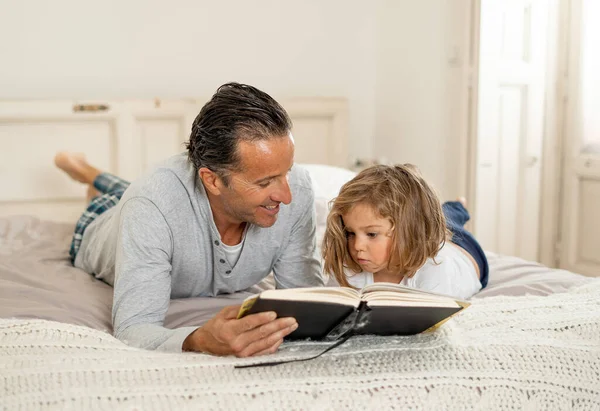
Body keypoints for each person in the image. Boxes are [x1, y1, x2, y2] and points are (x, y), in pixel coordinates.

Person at [55, 82, 324, 356]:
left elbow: (308, 300)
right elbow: (134, 330)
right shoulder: (149, 206)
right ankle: (86, 173)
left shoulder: (298, 189)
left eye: (286, 172)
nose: (287, 196)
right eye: (265, 181)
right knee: (123, 198)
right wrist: (199, 340)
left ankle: (91, 173)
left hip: (160, 198)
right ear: (212, 180)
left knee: (135, 192)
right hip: (102, 220)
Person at [322, 164, 488, 300]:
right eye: (350, 233)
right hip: (422, 235)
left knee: (449, 218)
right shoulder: (349, 267)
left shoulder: (437, 269)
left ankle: (459, 205)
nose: (357, 246)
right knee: (441, 217)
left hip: (463, 249)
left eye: (372, 234)